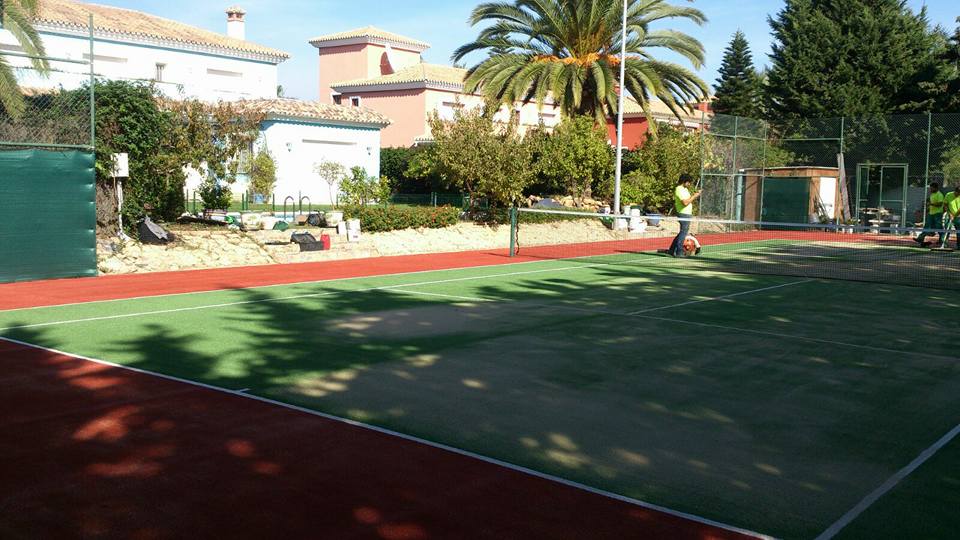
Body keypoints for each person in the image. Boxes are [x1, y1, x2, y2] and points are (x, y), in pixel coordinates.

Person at [669, 174, 701, 257]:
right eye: (688, 182)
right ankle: (679, 252)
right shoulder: (679, 189)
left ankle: (671, 250)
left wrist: (694, 195)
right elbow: (685, 202)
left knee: (682, 232)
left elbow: (688, 199)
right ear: (684, 181)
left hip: (687, 213)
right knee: (683, 233)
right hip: (683, 214)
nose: (689, 184)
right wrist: (695, 196)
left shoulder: (685, 189)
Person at [940, 185, 960, 250]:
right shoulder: (948, 195)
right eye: (957, 193)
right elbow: (945, 205)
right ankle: (944, 244)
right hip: (949, 214)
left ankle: (959, 245)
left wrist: (955, 215)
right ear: (955, 191)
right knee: (947, 229)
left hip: (958, 216)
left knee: (959, 231)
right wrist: (950, 213)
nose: (958, 195)